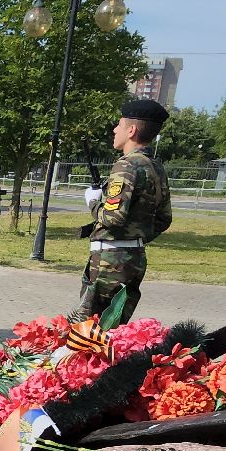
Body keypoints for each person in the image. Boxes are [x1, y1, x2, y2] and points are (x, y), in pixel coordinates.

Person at [71, 98, 173, 326]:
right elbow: (164, 218)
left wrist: (93, 203)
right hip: (134, 259)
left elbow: (113, 217)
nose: (114, 130)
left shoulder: (126, 165)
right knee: (114, 329)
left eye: (119, 125)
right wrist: (134, 238)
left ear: (132, 130)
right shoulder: (155, 166)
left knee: (89, 332)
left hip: (109, 262)